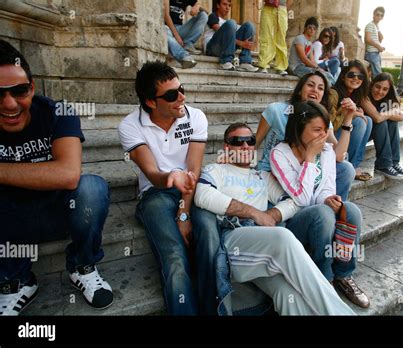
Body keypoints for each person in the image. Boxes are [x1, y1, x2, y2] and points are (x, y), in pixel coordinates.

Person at [194, 122, 356, 315]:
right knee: (283, 237)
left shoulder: (262, 176)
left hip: (261, 247)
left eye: (250, 141)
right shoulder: (215, 170)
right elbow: (202, 195)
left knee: (288, 294)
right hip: (233, 240)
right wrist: (255, 213)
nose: (245, 146)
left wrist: (272, 214)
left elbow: (293, 202)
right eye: (237, 141)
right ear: (227, 147)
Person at [0, 39, 113, 315]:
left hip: (59, 211)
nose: (10, 103)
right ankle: (16, 280)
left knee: (92, 188)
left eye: (20, 90)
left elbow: (68, 175)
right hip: (10, 217)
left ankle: (82, 265)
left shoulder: (57, 112)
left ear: (33, 87)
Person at [118, 61, 220, 315]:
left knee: (209, 237)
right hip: (156, 193)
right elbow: (152, 174)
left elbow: (193, 171)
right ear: (151, 102)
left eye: (181, 89)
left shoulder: (195, 116)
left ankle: (213, 310)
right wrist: (171, 177)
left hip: (193, 188)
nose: (182, 97)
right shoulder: (130, 126)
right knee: (174, 256)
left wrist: (184, 213)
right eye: (172, 95)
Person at [270, 101, 370, 308]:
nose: (323, 136)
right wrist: (309, 158)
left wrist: (328, 198)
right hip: (295, 222)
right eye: (316, 130)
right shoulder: (280, 153)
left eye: (325, 130)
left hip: (318, 212)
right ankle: (324, 279)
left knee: (350, 211)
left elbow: (326, 186)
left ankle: (343, 274)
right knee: (323, 214)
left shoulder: (326, 151)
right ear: (299, 128)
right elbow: (301, 199)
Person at [255, 70, 356, 201]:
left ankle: (334, 211)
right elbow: (255, 143)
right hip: (274, 171)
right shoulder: (275, 110)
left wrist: (348, 119)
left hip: (306, 167)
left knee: (346, 169)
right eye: (310, 85)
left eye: (320, 88)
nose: (315, 90)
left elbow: (338, 155)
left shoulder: (321, 119)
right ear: (299, 90)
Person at [332, 60, 373, 181]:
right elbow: (330, 124)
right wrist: (352, 114)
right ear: (343, 77)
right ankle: (351, 166)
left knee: (368, 120)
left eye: (360, 76)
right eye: (351, 75)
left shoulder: (355, 95)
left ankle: (355, 164)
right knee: (360, 122)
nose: (356, 78)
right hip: (329, 137)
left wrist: (355, 112)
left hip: (342, 133)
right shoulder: (333, 93)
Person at [368, 72, 403, 180]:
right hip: (362, 132)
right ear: (372, 85)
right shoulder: (365, 97)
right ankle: (383, 164)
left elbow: (400, 117)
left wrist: (387, 114)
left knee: (391, 122)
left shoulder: (388, 100)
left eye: (385, 89)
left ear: (389, 90)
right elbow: (377, 118)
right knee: (381, 122)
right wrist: (391, 112)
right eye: (377, 87)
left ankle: (393, 162)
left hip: (377, 132)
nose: (380, 91)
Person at [203, 0, 259, 72]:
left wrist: (246, 41)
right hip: (212, 48)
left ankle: (245, 61)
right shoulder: (213, 16)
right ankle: (225, 61)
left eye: (229, 5)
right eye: (225, 4)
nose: (227, 8)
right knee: (231, 23)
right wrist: (241, 43)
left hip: (225, 48)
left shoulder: (228, 23)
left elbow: (241, 32)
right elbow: (220, 31)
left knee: (249, 26)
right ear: (218, 5)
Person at [288, 17, 337, 85]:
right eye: (310, 27)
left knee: (327, 74)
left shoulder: (309, 43)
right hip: (295, 68)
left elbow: (312, 60)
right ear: (305, 28)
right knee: (319, 75)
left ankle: (335, 89)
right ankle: (329, 91)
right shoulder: (299, 38)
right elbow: (303, 58)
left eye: (314, 29)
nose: (312, 30)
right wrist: (316, 68)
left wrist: (319, 68)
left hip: (303, 67)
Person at [164, 0, 208, 68]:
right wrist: (176, 36)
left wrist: (197, 6)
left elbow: (207, 12)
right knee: (165, 31)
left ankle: (188, 43)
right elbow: (166, 15)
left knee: (203, 15)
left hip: (180, 29)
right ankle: (184, 57)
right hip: (167, 27)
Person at [257, 0, 293, 75]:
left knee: (281, 38)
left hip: (282, 8)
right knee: (266, 36)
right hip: (268, 7)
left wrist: (283, 7)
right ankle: (264, 64)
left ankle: (281, 66)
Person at [364, 6, 385, 77]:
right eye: (377, 14)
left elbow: (380, 38)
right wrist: (379, 47)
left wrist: (379, 31)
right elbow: (367, 39)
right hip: (372, 53)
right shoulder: (370, 25)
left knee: (369, 75)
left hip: (376, 53)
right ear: (373, 15)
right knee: (378, 76)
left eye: (381, 15)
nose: (379, 17)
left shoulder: (375, 26)